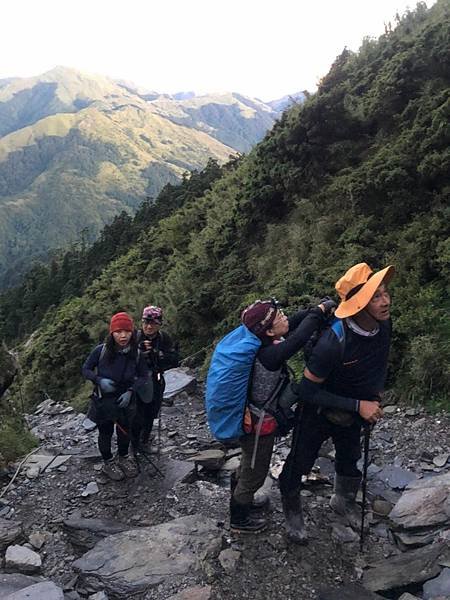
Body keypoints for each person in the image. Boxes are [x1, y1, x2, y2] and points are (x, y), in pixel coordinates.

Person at [278, 263, 394, 544]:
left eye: (385, 293)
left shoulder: (384, 324)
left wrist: (374, 396)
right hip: (317, 409)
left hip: (356, 406)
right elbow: (306, 390)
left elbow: (378, 363)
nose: (386, 301)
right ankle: (292, 512)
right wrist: (359, 406)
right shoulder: (333, 341)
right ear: (359, 303)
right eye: (376, 296)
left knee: (349, 457)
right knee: (300, 462)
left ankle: (342, 502)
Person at [230, 297, 336, 533]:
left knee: (249, 462)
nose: (285, 317)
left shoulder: (264, 342)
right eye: (278, 316)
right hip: (259, 424)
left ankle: (239, 494)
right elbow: (298, 339)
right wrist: (318, 312)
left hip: (251, 418)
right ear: (268, 330)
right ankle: (239, 519)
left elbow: (294, 324)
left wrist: (313, 311)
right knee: (255, 474)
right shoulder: (269, 355)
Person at [82, 312, 150, 481]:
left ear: (132, 332)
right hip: (104, 399)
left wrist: (131, 391)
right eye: (118, 331)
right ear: (111, 333)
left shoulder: (137, 353)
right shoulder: (101, 351)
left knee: (124, 431)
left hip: (126, 398)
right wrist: (99, 380)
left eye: (127, 331)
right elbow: (86, 369)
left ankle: (123, 457)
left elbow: (143, 376)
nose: (123, 336)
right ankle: (108, 462)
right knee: (105, 432)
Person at [132, 305, 179, 450]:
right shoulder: (135, 337)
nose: (149, 326)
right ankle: (134, 443)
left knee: (152, 410)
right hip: (137, 380)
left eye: (153, 323)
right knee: (137, 412)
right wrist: (139, 350)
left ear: (159, 324)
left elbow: (175, 359)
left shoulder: (164, 339)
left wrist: (158, 354)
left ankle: (144, 439)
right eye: (146, 322)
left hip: (156, 379)